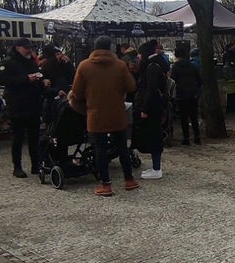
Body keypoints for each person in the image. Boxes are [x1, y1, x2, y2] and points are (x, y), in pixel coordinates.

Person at [69, 36, 138, 196]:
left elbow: (77, 93)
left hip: (95, 114)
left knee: (100, 149)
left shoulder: (84, 66)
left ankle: (105, 184)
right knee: (122, 147)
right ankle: (129, 180)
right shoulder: (120, 65)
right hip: (117, 113)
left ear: (94, 47)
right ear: (110, 48)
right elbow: (131, 86)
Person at [0, 38, 51, 178]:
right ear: (18, 48)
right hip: (17, 104)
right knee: (18, 137)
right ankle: (17, 166)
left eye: (30, 47)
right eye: (26, 48)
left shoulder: (32, 62)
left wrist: (42, 82)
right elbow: (2, 79)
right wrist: (26, 79)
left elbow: (38, 77)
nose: (29, 50)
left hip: (33, 104)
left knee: (34, 136)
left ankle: (36, 164)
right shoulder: (8, 62)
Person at [134, 40, 168, 179]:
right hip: (155, 106)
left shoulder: (151, 67)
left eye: (139, 54)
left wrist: (145, 108)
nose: (138, 57)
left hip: (152, 108)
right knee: (154, 135)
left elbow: (151, 89)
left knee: (154, 136)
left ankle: (156, 168)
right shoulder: (157, 64)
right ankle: (155, 167)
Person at [171, 47, 202, 145]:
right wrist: (196, 90)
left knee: (183, 118)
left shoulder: (176, 67)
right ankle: (197, 137)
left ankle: (186, 138)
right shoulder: (192, 66)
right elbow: (200, 79)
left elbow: (173, 80)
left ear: (176, 55)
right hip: (193, 94)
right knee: (194, 116)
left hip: (181, 95)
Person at [39, 44, 74, 122]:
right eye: (57, 55)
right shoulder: (45, 69)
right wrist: (56, 92)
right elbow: (44, 89)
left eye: (60, 54)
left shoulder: (65, 66)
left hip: (66, 100)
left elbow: (73, 77)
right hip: (53, 103)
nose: (60, 56)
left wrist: (68, 64)